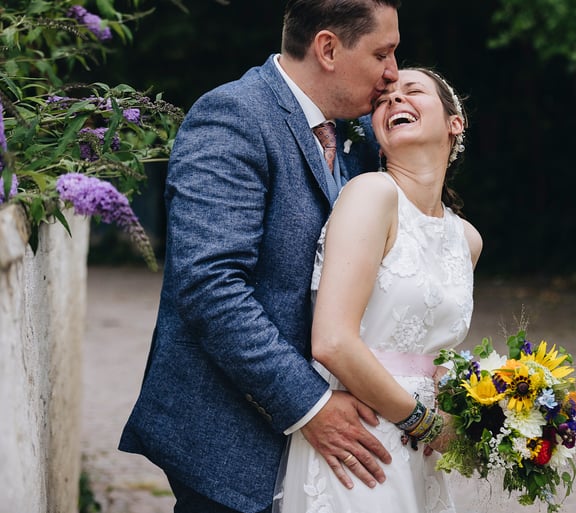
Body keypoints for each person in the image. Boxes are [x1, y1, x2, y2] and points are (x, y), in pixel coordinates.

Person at [118, 1, 401, 512]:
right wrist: (309, 407)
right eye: (383, 53)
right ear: (329, 48)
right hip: (232, 439)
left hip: (325, 459)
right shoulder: (233, 117)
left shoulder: (360, 140)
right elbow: (211, 286)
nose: (393, 73)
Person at [273, 67, 483, 513]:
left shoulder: (466, 239)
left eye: (413, 92)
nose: (395, 101)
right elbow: (332, 342)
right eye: (385, 99)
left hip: (424, 454)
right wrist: (422, 421)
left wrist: (489, 412)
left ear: (454, 123)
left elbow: (437, 353)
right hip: (360, 439)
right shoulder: (371, 194)